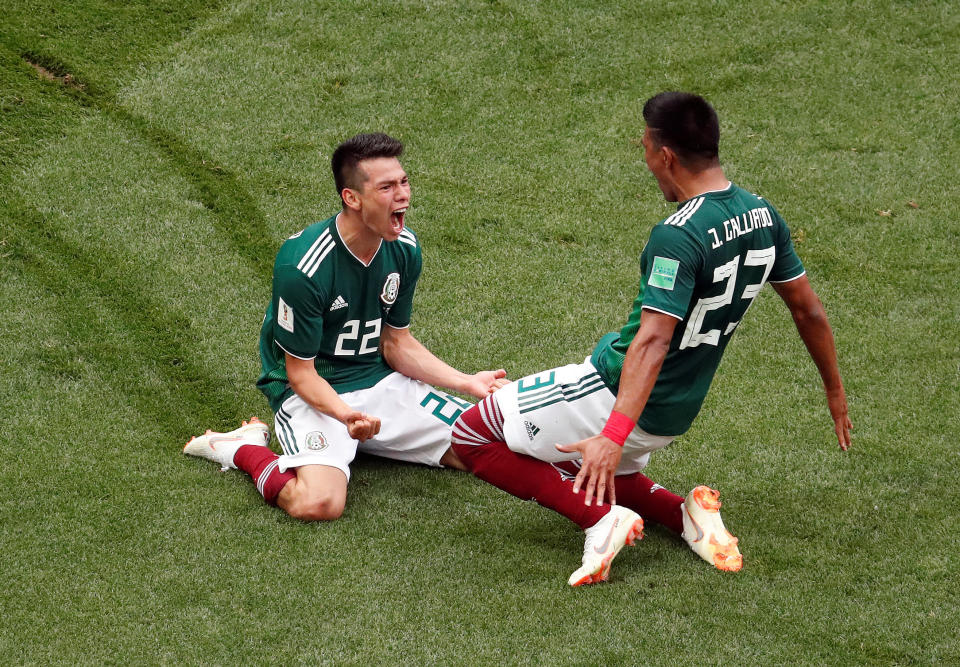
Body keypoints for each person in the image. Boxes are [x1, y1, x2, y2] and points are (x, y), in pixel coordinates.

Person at [450, 92, 852, 586]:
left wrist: (612, 435)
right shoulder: (765, 215)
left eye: (643, 146)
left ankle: (600, 519)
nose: (644, 159)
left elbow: (652, 341)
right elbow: (807, 308)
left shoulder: (678, 235)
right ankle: (687, 516)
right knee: (616, 477)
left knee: (471, 434)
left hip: (616, 390)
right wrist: (834, 390)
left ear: (666, 154)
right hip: (677, 408)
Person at [184, 133, 508, 521]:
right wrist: (346, 415)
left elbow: (395, 343)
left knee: (486, 447)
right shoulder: (303, 266)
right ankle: (243, 447)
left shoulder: (404, 248)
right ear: (351, 198)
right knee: (318, 504)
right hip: (311, 393)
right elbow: (299, 373)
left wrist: (466, 382)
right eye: (386, 187)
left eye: (403, 182)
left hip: (377, 380)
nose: (402, 195)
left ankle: (367, 442)